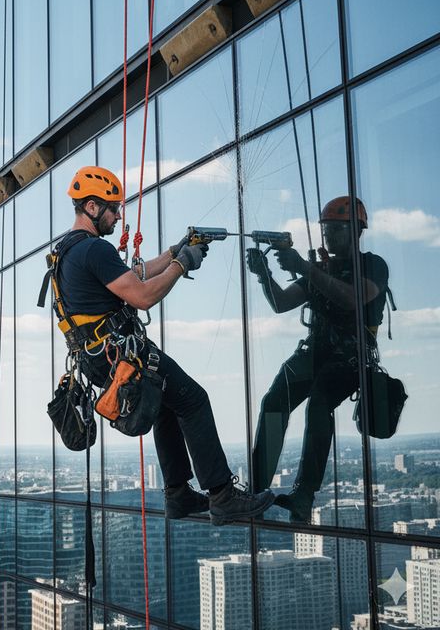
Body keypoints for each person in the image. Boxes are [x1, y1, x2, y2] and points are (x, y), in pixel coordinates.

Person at [53, 166, 274, 525]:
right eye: (113, 208)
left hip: (99, 358)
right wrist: (181, 264)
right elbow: (142, 296)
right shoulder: (94, 249)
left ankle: (178, 495)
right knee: (194, 399)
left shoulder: (70, 249)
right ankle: (222, 495)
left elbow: (132, 276)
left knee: (166, 405)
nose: (118, 214)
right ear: (92, 207)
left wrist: (175, 250)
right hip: (121, 353)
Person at [246, 196, 390, 522]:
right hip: (315, 352)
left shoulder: (373, 265)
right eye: (326, 229)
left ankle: (304, 494)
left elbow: (353, 298)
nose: (328, 236)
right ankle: (256, 490)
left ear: (356, 230)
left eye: (336, 229)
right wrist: (264, 274)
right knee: (273, 403)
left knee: (319, 404)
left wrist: (304, 268)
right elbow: (282, 303)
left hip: (350, 357)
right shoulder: (321, 268)